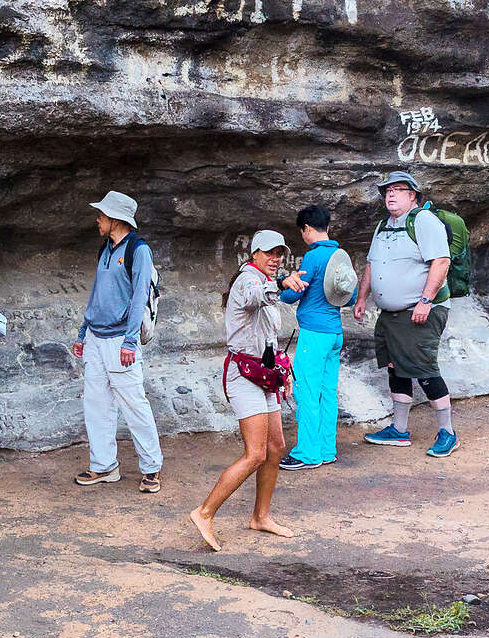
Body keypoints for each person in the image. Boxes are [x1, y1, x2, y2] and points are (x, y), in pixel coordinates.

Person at [187, 230, 296, 552]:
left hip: (264, 376)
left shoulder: (263, 282)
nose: (275, 259)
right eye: (269, 253)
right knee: (255, 454)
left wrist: (281, 371)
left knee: (276, 447)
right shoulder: (248, 280)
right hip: (243, 376)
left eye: (280, 253)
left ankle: (260, 516)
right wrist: (280, 284)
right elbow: (253, 296)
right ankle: (204, 512)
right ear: (255, 255)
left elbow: (266, 335)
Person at [353, 171, 458, 457]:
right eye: (387, 190)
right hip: (391, 315)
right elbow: (372, 264)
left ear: (413, 195)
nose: (390, 194)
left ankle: (448, 432)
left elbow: (441, 260)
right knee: (395, 369)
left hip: (419, 311)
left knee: (423, 369)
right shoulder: (383, 226)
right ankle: (399, 431)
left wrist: (426, 300)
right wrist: (363, 297)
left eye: (398, 190)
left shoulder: (423, 221)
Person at [72, 190, 164, 493]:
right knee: (97, 404)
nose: (98, 219)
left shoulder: (138, 250)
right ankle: (104, 466)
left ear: (116, 219)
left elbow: (139, 297)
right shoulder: (106, 248)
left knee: (134, 403)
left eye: (102, 215)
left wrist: (129, 342)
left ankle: (151, 468)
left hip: (119, 340)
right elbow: (98, 292)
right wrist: (83, 331)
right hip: (97, 338)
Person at [278, 204, 356, 471]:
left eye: (303, 232)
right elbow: (351, 297)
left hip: (314, 333)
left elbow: (293, 293)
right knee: (327, 392)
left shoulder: (313, 257)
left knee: (306, 391)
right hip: (335, 332)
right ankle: (326, 448)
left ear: (307, 229)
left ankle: (308, 453)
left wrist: (284, 285)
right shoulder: (340, 256)